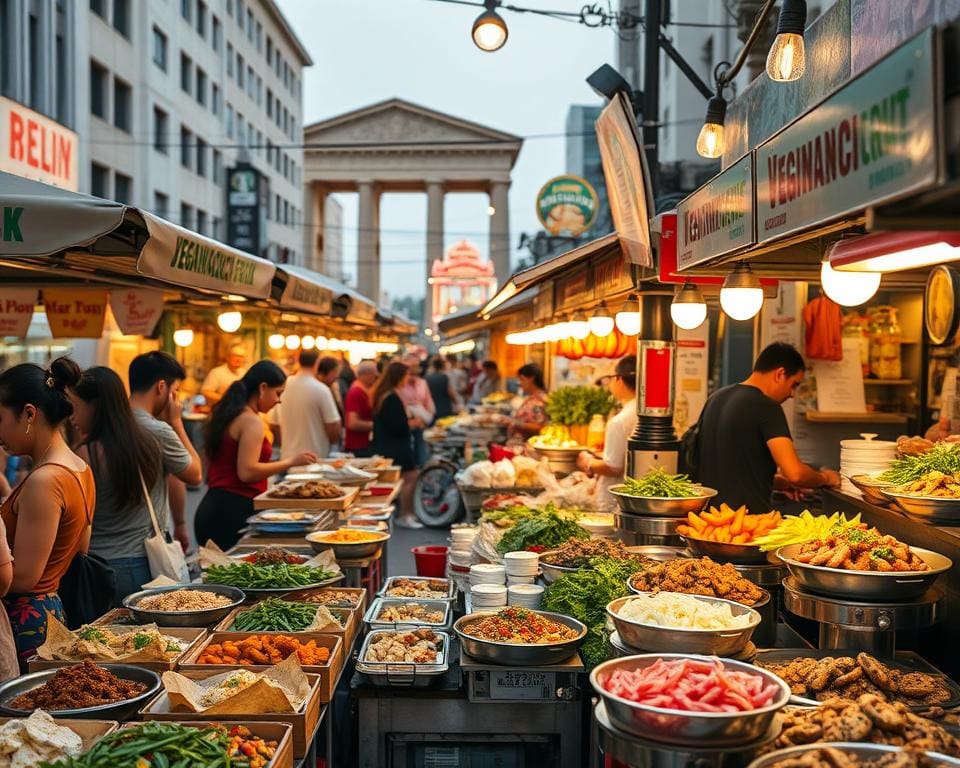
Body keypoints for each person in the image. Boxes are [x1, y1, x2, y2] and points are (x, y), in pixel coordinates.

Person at [0, 358, 95, 664]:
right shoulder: (79, 468)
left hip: (24, 620)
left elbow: (25, 577)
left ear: (29, 413)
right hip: (50, 610)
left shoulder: (45, 480)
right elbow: (80, 548)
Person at [67, 367, 179, 603]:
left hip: (102, 568)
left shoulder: (87, 454)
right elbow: (189, 474)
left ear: (95, 405)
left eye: (75, 406)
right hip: (145, 565)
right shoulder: (147, 442)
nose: (71, 416)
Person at [696, 342, 841, 513]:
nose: (792, 394)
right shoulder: (766, 407)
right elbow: (795, 473)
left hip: (708, 520)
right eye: (794, 384)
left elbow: (730, 468)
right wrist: (826, 478)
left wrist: (779, 483)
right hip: (746, 524)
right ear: (780, 374)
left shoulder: (716, 398)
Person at [196, 361, 317, 549]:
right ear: (262, 388)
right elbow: (247, 472)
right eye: (278, 393)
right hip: (231, 512)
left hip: (215, 507)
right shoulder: (251, 421)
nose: (279, 400)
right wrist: (291, 461)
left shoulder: (230, 413)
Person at [128, 352, 203, 554]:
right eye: (176, 391)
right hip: (142, 552)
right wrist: (176, 421)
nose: (176, 400)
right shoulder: (157, 431)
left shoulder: (111, 423)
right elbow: (195, 475)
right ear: (161, 387)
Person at [372, 361, 426, 529]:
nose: (408, 378)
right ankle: (405, 514)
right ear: (399, 377)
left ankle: (403, 514)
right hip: (396, 446)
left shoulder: (383, 394)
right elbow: (397, 425)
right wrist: (412, 423)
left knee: (402, 479)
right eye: (406, 375)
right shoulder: (392, 397)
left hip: (386, 444)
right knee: (410, 477)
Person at [576, 356, 638, 494]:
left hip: (614, 496)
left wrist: (587, 462)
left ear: (618, 379)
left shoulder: (619, 421)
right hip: (631, 492)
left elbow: (613, 467)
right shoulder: (641, 411)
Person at [276, 350, 341, 462]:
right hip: (315, 458)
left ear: (298, 361)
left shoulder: (283, 385)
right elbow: (333, 425)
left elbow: (274, 424)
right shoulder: (321, 389)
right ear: (317, 363)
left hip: (287, 458)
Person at [399, 356, 435, 466]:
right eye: (410, 367)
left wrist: (426, 419)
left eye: (416, 366)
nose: (413, 369)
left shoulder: (422, 383)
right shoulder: (400, 385)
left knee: (421, 456)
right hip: (405, 427)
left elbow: (429, 403)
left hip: (421, 426)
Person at [344, 360, 378, 456]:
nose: (376, 377)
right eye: (374, 374)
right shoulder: (356, 392)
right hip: (358, 446)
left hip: (364, 444)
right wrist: (376, 425)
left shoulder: (365, 391)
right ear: (366, 374)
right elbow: (352, 422)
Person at [508, 363, 548, 442]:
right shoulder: (533, 397)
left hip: (527, 446)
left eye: (522, 379)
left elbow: (539, 427)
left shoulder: (539, 400)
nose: (519, 383)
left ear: (531, 379)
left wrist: (513, 422)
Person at [425, 356, 460, 421]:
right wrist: (457, 403)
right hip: (445, 407)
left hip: (433, 408)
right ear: (442, 366)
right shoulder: (444, 377)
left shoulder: (427, 378)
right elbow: (450, 392)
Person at [317, 357, 345, 427]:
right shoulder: (320, 390)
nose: (337, 376)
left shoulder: (334, 386)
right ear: (331, 372)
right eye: (336, 372)